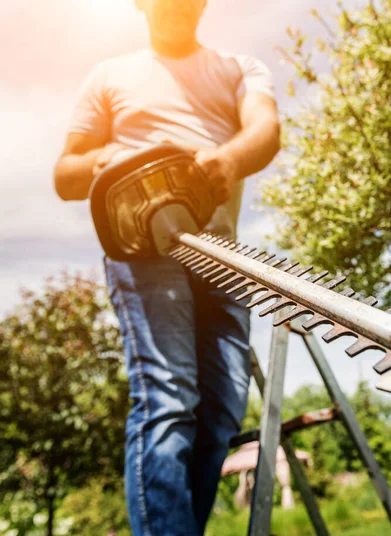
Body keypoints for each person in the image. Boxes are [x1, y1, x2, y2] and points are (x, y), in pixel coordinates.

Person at [53, 1, 280, 534]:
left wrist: (229, 159)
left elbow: (265, 130)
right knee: (169, 397)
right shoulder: (109, 76)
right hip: (143, 252)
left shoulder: (240, 68)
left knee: (222, 409)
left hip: (222, 255)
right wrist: (107, 160)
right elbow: (66, 173)